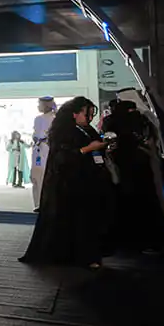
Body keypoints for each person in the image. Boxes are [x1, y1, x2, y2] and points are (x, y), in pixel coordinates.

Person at [21, 96, 114, 269]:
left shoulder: (86, 129)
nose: (90, 118)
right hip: (70, 184)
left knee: (88, 221)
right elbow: (62, 157)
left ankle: (90, 254)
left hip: (88, 181)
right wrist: (89, 148)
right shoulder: (63, 131)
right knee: (77, 221)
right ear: (75, 114)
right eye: (87, 114)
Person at [102, 99, 164, 252]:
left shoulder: (112, 122)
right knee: (147, 203)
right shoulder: (143, 120)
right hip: (142, 168)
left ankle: (129, 241)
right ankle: (150, 240)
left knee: (126, 204)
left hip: (124, 169)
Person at [29, 96, 57, 210]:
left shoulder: (55, 118)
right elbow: (36, 133)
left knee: (47, 177)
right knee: (36, 177)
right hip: (37, 150)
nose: (38, 106)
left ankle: (48, 203)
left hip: (48, 150)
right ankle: (38, 203)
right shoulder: (37, 119)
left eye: (39, 104)